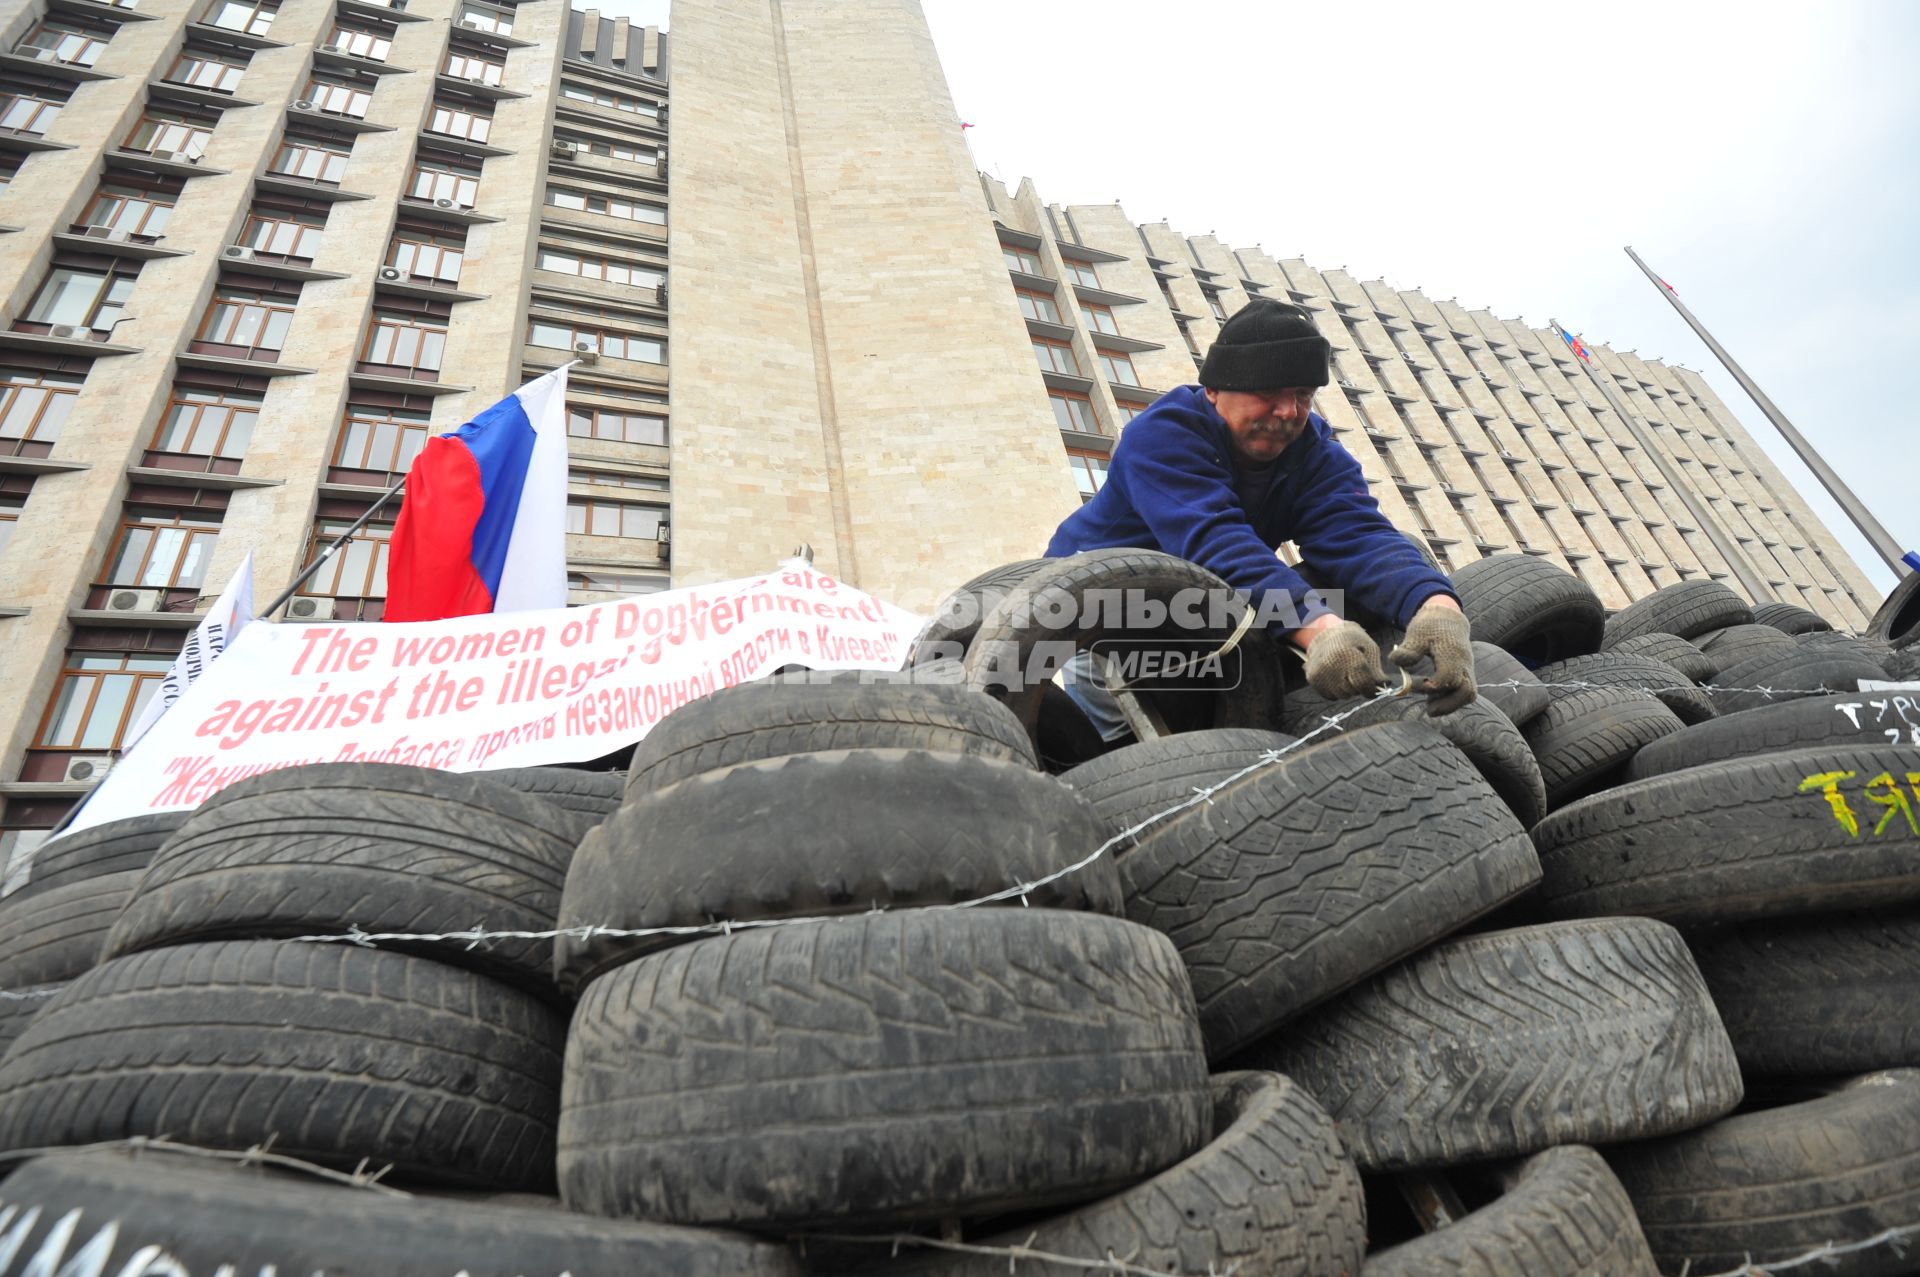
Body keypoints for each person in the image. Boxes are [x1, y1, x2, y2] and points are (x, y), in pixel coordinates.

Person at [1047, 297, 1474, 735]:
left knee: (1397, 556)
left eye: (1303, 395)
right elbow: (1214, 542)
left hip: (1214, 609)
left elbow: (1359, 537)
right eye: (1269, 393)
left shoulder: (1316, 456)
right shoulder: (1161, 437)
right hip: (1103, 615)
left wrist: (1437, 608)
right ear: (1214, 391)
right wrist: (1319, 629)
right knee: (1139, 755)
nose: (1289, 412)